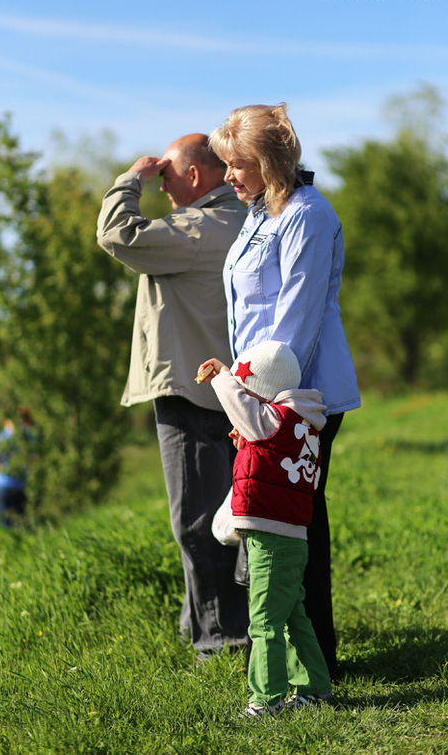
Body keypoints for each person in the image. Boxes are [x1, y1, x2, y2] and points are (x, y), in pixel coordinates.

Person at [209, 104, 361, 678]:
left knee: (293, 525)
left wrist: (253, 397)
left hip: (299, 399)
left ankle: (310, 664)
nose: (228, 176)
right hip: (261, 392)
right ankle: (288, 659)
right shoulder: (260, 211)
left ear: (268, 161)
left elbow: (292, 327)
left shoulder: (307, 216)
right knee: (270, 518)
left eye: (236, 164)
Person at [97, 134, 249, 659]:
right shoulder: (233, 220)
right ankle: (204, 628)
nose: (160, 183)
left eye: (167, 175)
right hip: (220, 389)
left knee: (197, 522)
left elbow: (117, 234)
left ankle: (221, 643)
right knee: (219, 518)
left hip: (192, 389)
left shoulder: (199, 226)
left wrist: (129, 180)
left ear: (192, 176)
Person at [197, 340, 332, 716]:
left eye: (245, 385)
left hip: (272, 539)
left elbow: (244, 409)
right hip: (289, 536)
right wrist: (250, 447)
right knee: (291, 615)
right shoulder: (300, 427)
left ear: (262, 390)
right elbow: (275, 467)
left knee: (264, 622)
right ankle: (315, 687)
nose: (240, 392)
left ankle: (266, 700)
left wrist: (223, 377)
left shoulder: (273, 420)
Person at [0, 407, 36, 529]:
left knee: (7, 525)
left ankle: (10, 546)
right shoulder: (27, 438)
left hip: (4, 486)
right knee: (23, 524)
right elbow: (35, 460)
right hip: (20, 485)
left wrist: (5, 470)